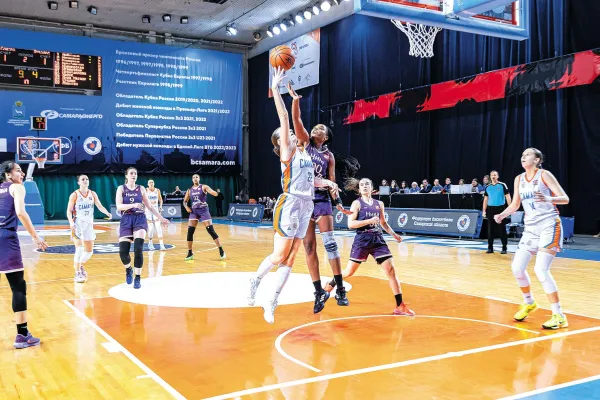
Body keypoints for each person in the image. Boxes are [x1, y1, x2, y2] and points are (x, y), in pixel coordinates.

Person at [247, 68, 339, 323]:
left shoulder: (304, 153)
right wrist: (276, 89)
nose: (288, 133)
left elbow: (311, 180)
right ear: (280, 143)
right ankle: (255, 280)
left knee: (292, 255)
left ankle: (272, 301)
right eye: (284, 133)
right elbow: (285, 116)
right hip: (289, 203)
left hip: (307, 204)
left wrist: (328, 183)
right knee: (279, 256)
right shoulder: (286, 152)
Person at [287, 81, 350, 313]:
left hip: (322, 200)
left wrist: (338, 203)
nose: (317, 129)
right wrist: (295, 101)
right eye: (316, 127)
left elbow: (332, 181)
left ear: (326, 136)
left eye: (321, 128)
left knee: (330, 244)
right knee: (309, 247)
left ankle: (340, 288)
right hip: (304, 200)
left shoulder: (329, 156)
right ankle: (318, 292)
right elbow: (296, 120)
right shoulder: (304, 143)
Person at [494, 148, 570, 329]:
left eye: (527, 154)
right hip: (530, 229)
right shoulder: (518, 179)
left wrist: (548, 198)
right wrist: (502, 214)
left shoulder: (544, 175)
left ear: (536, 160)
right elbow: (515, 204)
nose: (523, 157)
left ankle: (559, 315)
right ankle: (529, 302)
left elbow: (565, 199)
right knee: (517, 268)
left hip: (549, 225)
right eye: (522, 155)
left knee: (541, 270)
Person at [326, 177, 415, 316]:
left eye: (367, 184)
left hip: (378, 240)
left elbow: (383, 223)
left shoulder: (379, 204)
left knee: (391, 271)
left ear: (372, 187)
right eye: (362, 184)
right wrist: (369, 221)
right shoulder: (357, 203)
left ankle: (400, 306)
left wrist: (394, 234)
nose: (364, 186)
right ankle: (330, 285)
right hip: (362, 240)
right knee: (349, 272)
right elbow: (350, 224)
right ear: (359, 189)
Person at [0, 161, 48, 348]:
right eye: (18, 170)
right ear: (8, 174)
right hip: (6, 238)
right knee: (18, 287)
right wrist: (35, 237)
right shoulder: (17, 187)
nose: (21, 174)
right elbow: (20, 212)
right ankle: (22, 335)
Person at [116, 167, 169, 289]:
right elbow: (119, 206)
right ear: (126, 175)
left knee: (138, 249)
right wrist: (134, 205)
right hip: (126, 219)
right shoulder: (121, 188)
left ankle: (138, 277)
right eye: (131, 173)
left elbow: (150, 206)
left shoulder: (141, 189)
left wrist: (161, 218)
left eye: (135, 173)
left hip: (140, 218)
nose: (134, 175)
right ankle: (128, 269)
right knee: (123, 253)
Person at [66, 174, 112, 283]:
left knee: (89, 251)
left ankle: (80, 265)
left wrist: (108, 213)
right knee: (79, 249)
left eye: (87, 179)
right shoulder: (74, 195)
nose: (85, 180)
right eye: (83, 179)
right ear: (78, 182)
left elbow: (99, 206)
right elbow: (69, 210)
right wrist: (71, 222)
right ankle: (77, 273)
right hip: (77, 224)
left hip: (89, 224)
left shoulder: (93, 194)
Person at [183, 174, 226, 261]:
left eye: (197, 177)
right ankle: (190, 253)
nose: (195, 179)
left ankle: (221, 250)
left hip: (203, 210)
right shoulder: (189, 190)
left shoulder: (204, 187)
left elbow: (212, 192)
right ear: (192, 180)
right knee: (190, 232)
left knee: (211, 230)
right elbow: (184, 201)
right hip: (194, 211)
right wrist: (186, 207)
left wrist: (215, 193)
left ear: (199, 179)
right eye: (193, 177)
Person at [482, 170, 511, 254]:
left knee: (502, 229)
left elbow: (508, 196)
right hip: (491, 209)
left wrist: (510, 208)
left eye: (495, 175)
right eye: (492, 175)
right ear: (490, 177)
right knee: (490, 229)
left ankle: (504, 248)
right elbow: (485, 199)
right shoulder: (488, 187)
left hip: (500, 209)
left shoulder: (502, 185)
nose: (493, 176)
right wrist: (484, 210)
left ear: (497, 176)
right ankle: (490, 248)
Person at [145, 179, 165, 251]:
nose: (151, 183)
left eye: (152, 182)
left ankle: (161, 244)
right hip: (148, 211)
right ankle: (150, 243)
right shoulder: (146, 190)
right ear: (147, 184)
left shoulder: (157, 190)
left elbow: (161, 200)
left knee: (158, 227)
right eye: (149, 182)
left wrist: (160, 206)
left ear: (154, 183)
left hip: (156, 210)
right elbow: (143, 200)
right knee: (151, 228)